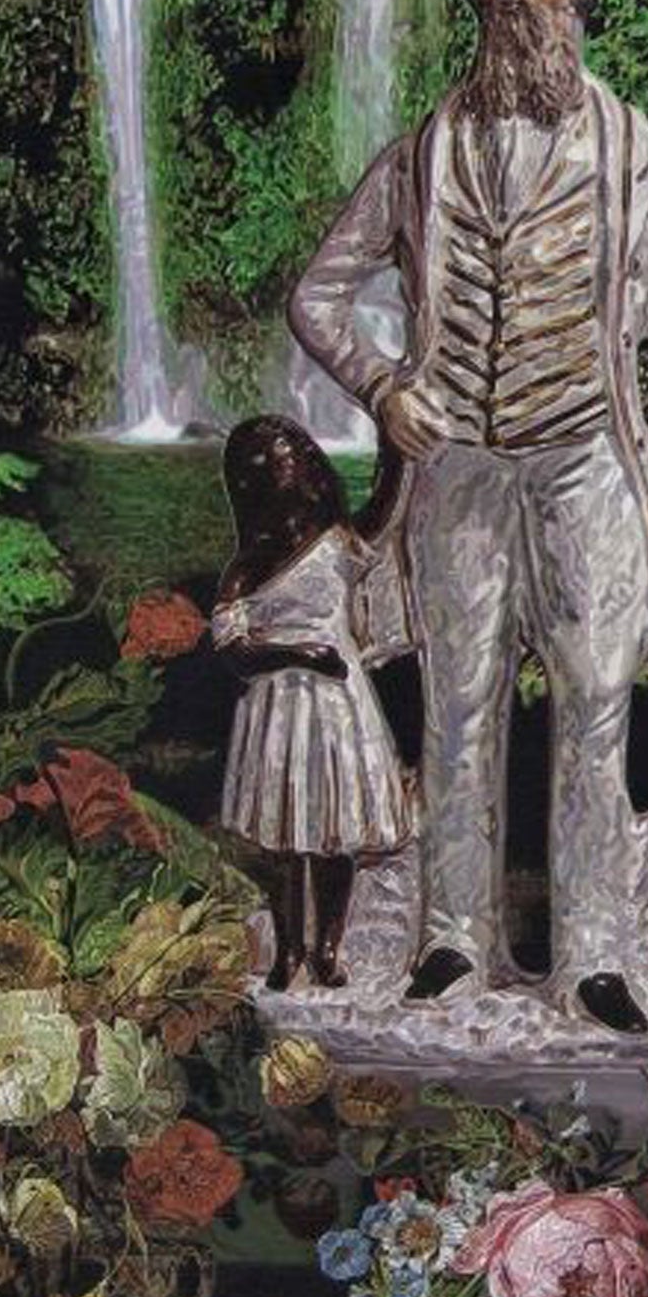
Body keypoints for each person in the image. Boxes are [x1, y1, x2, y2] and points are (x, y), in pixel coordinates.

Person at [289, 0, 648, 1032]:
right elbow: (318, 295)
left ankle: (594, 950)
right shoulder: (421, 154)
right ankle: (454, 937)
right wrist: (383, 387)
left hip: (587, 461)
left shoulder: (638, 157)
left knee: (597, 700)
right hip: (457, 469)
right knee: (457, 700)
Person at [211, 415, 410, 992]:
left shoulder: (338, 541)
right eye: (271, 462)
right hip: (279, 711)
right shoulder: (249, 565)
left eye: (290, 454)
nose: (286, 467)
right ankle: (289, 947)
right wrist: (296, 653)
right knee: (285, 839)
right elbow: (233, 651)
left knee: (335, 833)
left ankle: (327, 948)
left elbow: (386, 507)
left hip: (339, 708)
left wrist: (394, 442)